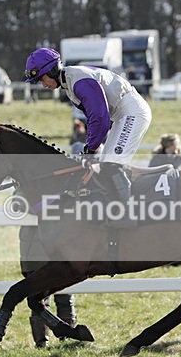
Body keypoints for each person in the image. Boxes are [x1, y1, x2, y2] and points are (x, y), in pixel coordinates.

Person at [24, 47, 152, 227]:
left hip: (131, 112)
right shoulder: (70, 82)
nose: (43, 84)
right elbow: (96, 119)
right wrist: (90, 148)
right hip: (122, 114)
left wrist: (90, 149)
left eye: (42, 78)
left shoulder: (78, 82)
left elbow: (100, 118)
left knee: (111, 165)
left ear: (52, 70)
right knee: (105, 166)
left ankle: (127, 214)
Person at [19, 225, 78, 348]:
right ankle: (54, 340)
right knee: (48, 296)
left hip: (44, 248)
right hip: (44, 247)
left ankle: (53, 340)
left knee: (58, 294)